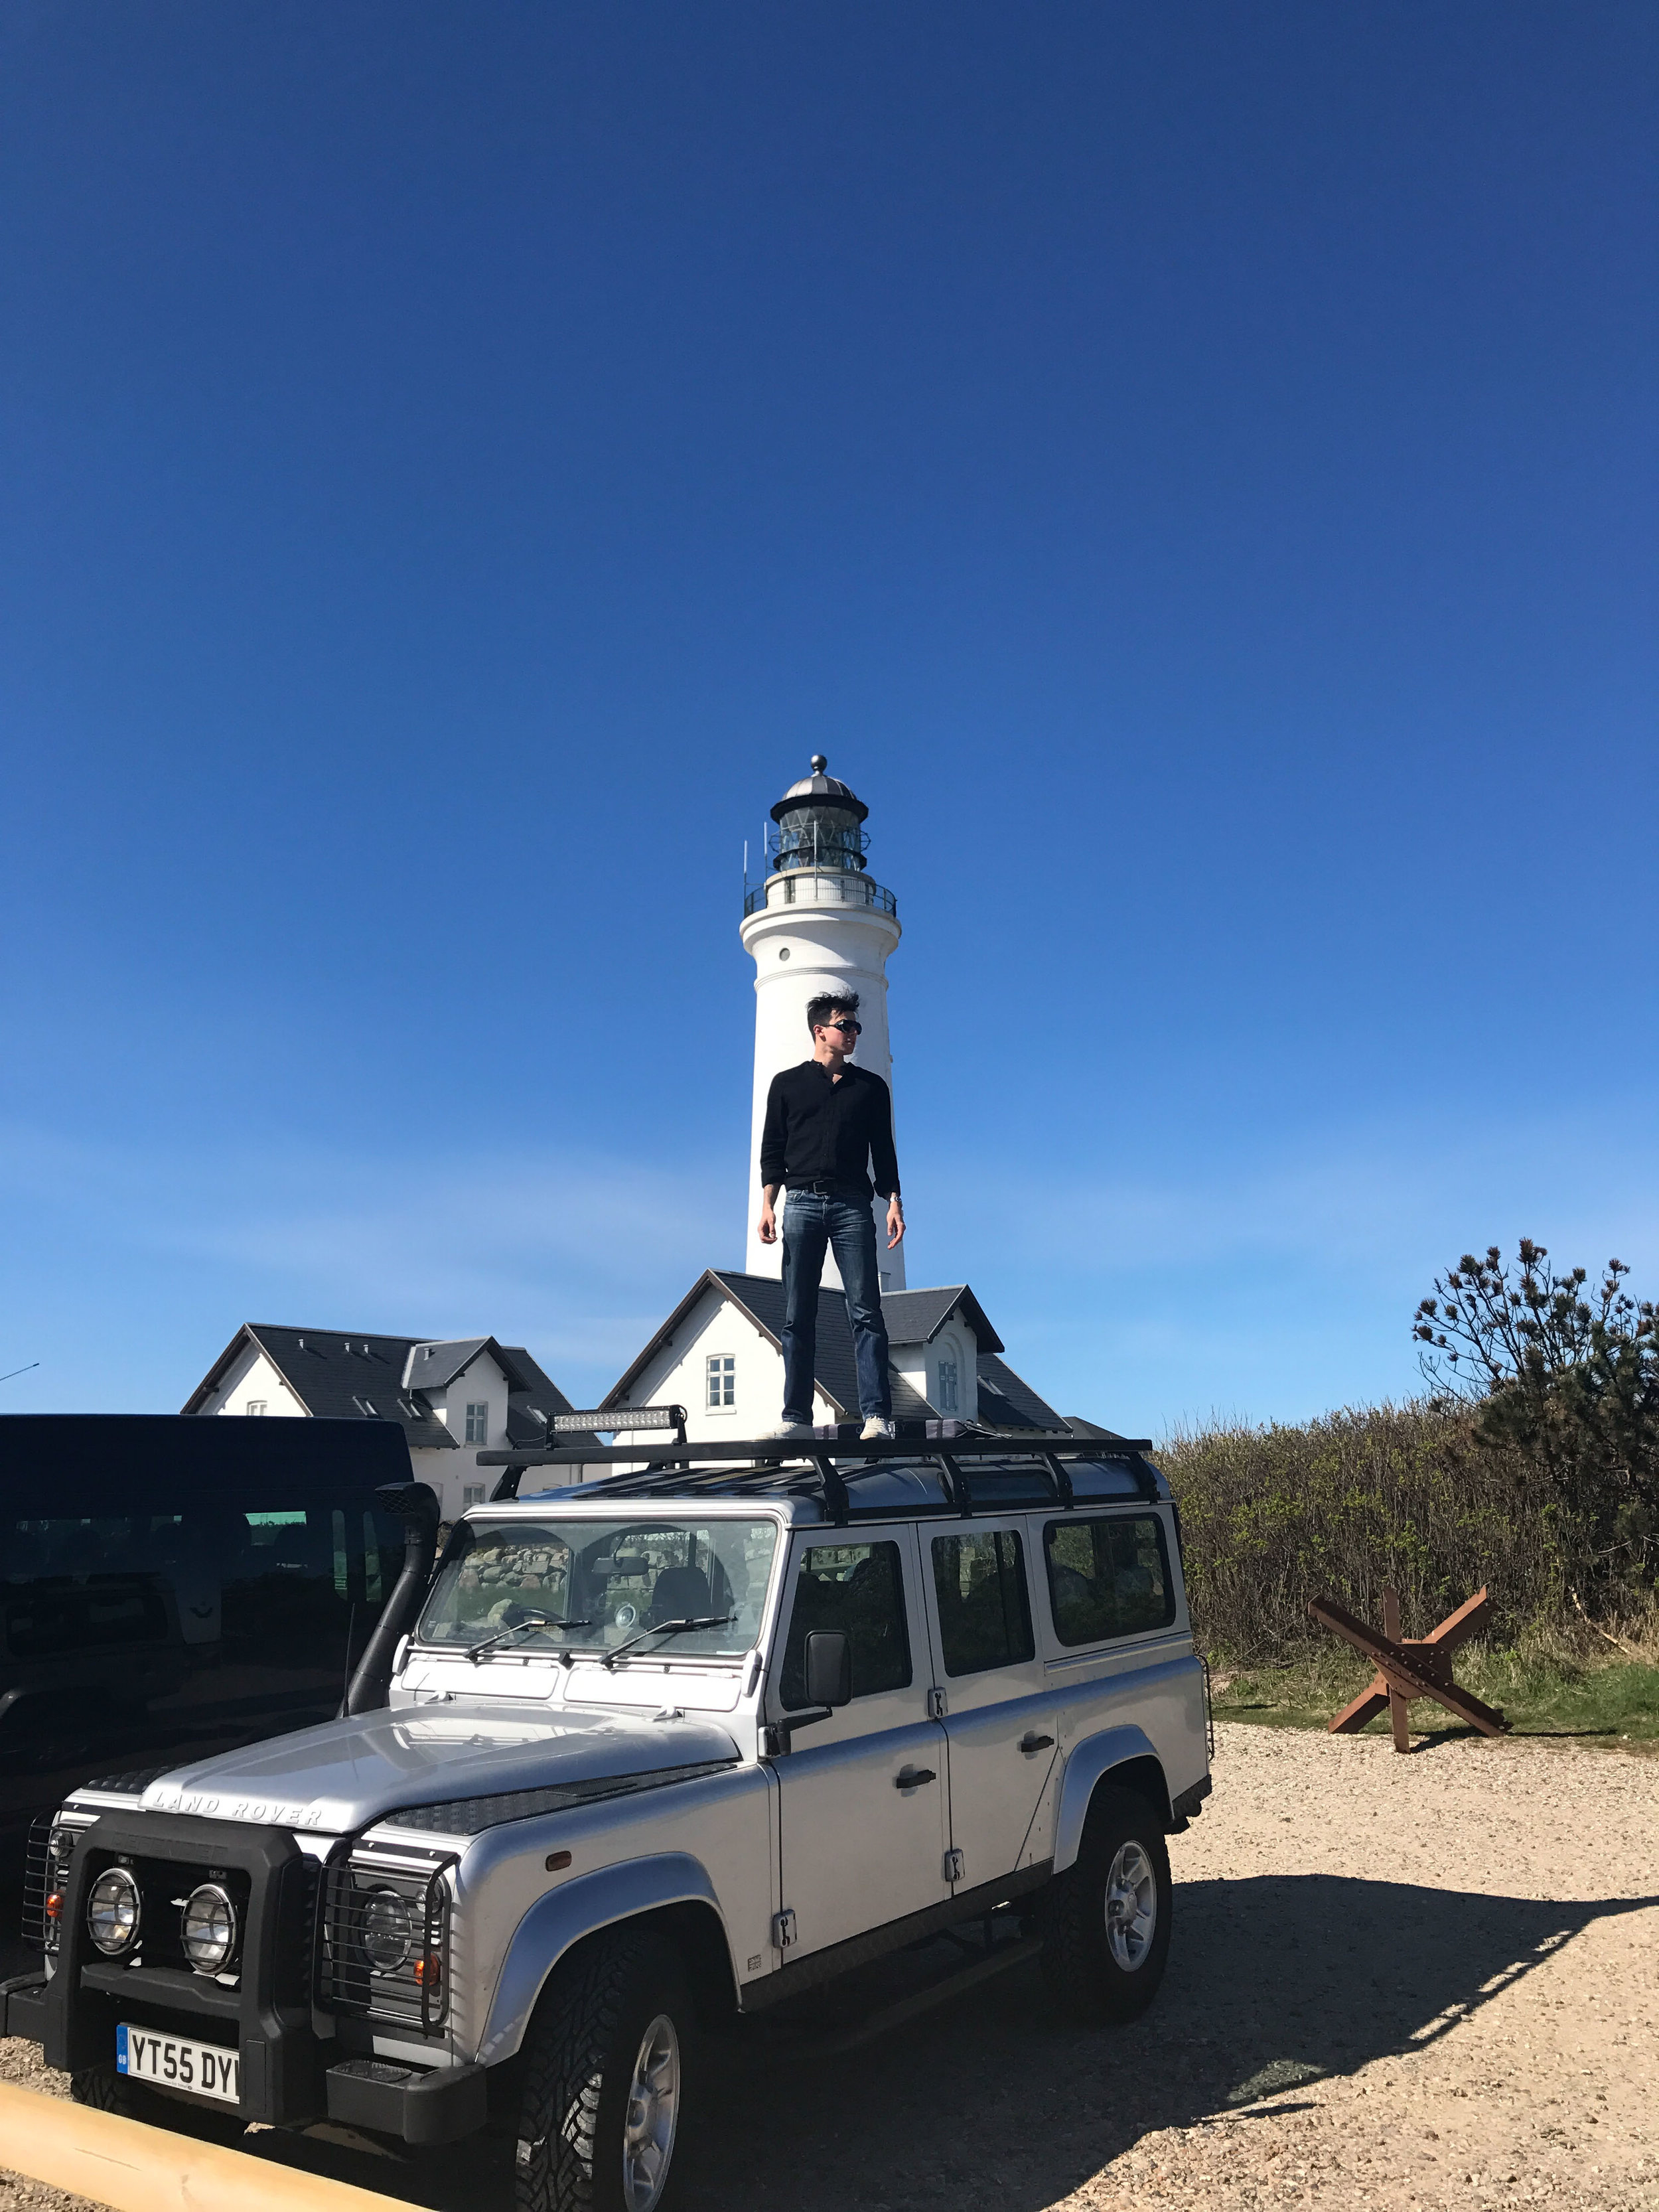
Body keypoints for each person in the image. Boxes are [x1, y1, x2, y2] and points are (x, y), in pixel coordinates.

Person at [757, 991, 905, 1441]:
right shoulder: (786, 1084)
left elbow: (884, 1150)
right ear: (820, 1030)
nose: (854, 1033)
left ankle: (877, 1416)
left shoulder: (871, 1088)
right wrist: (768, 1203)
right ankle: (796, 1417)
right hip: (800, 1203)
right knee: (797, 1314)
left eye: (857, 1026)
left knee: (866, 1310)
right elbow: (772, 1149)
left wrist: (894, 1199)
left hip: (852, 1206)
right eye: (846, 1025)